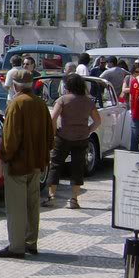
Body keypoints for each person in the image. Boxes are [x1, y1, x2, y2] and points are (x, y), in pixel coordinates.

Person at [0, 70, 54, 258]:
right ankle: (31, 242)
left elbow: (10, 138)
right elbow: (50, 136)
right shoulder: (41, 104)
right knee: (32, 205)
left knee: (16, 206)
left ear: (15, 86)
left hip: (18, 163)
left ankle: (16, 246)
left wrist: (5, 156)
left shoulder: (16, 104)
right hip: (37, 163)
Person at [44, 73, 101, 208]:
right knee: (78, 167)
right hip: (82, 138)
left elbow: (53, 118)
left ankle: (52, 197)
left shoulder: (63, 100)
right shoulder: (88, 101)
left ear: (67, 86)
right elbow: (98, 121)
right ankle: (74, 199)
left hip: (63, 136)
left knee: (56, 165)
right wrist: (88, 129)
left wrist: (54, 132)